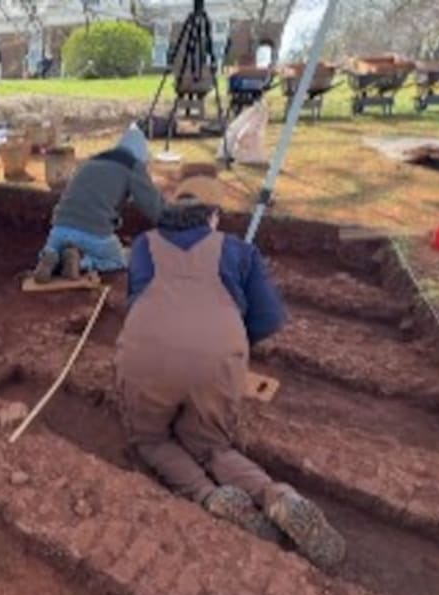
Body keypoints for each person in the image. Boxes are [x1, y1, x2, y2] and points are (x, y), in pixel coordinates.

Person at [116, 200, 345, 569]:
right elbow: (268, 318)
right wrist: (228, 345)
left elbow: (137, 298)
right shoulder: (239, 250)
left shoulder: (144, 244)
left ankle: (209, 495)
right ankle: (276, 495)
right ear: (211, 217)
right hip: (218, 360)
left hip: (148, 354)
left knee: (151, 439)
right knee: (211, 446)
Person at [32, 124, 164, 283]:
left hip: (60, 226)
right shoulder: (133, 166)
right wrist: (174, 224)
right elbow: (152, 205)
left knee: (54, 248)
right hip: (94, 233)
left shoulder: (89, 162)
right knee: (118, 261)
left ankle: (52, 256)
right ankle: (82, 263)